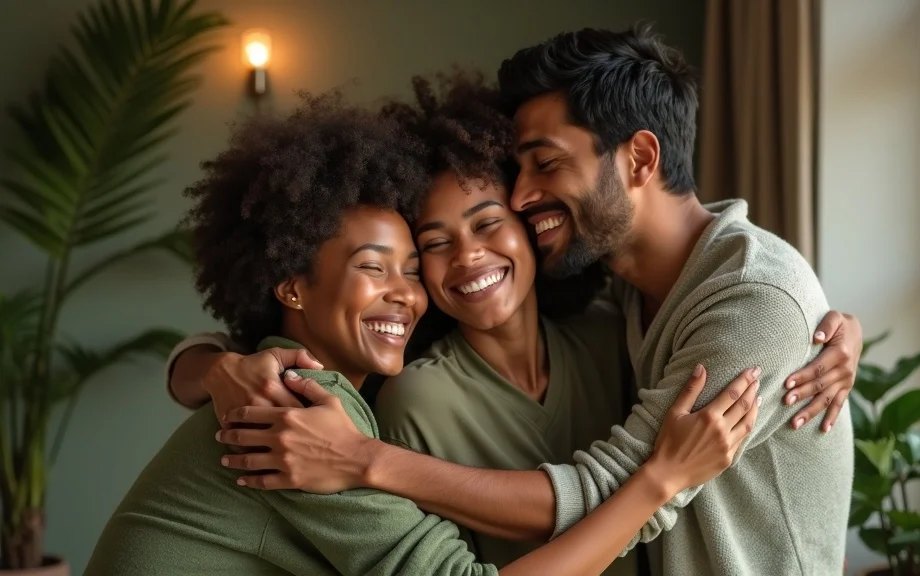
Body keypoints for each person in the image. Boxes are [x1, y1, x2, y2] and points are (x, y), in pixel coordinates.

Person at [200, 24, 858, 576]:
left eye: (544, 165)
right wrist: (204, 366)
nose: (522, 197)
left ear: (639, 158)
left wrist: (365, 461)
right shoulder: (630, 300)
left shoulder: (749, 300)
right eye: (429, 245)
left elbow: (614, 491)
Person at [83, 91, 760, 576]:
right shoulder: (299, 411)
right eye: (378, 266)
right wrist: (661, 480)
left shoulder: (612, 326)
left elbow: (713, 293)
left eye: (408, 268)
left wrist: (822, 324)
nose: (407, 290)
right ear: (289, 283)